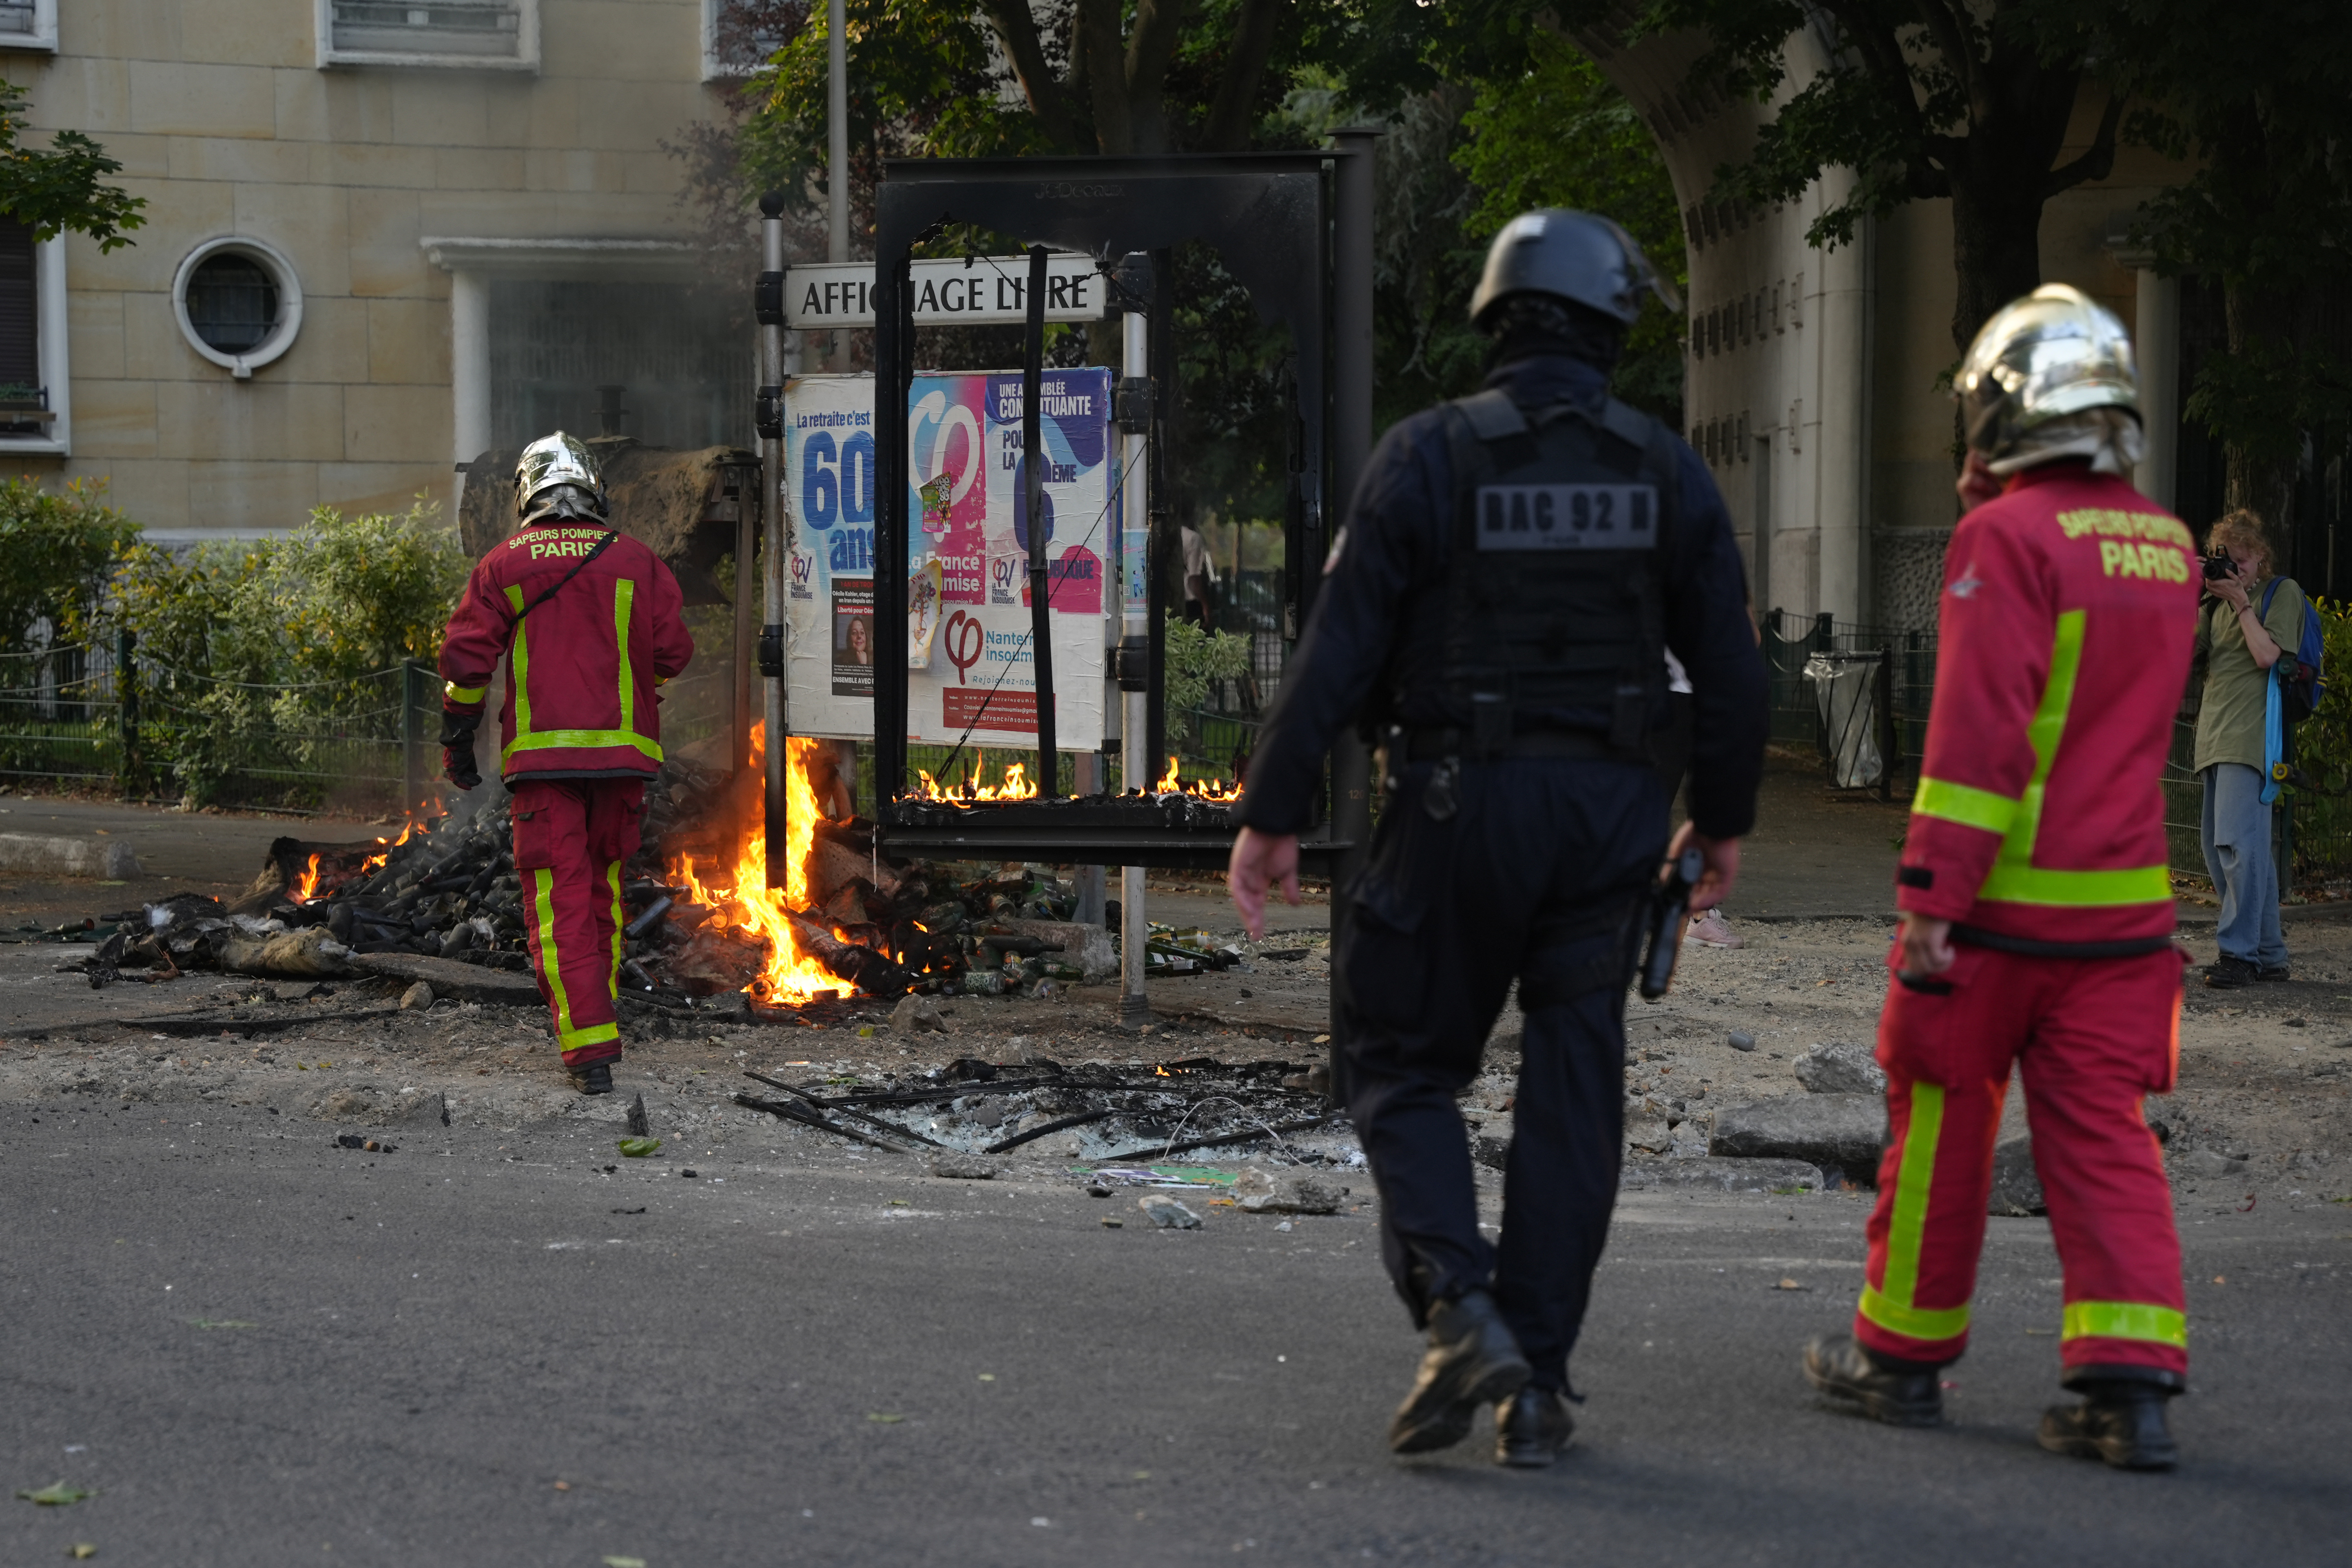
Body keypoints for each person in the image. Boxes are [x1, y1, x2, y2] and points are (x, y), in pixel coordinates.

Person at [1227, 210, 1767, 1467]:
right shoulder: (1663, 469)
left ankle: (1462, 1310)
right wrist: (1722, 823)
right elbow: (1732, 669)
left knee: (1397, 1061)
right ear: (1610, 328)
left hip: (1454, 812)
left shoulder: (1428, 456)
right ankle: (1539, 1382)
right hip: (1609, 829)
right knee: (1574, 1092)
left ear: (1493, 319)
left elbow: (1337, 647)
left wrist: (1273, 810)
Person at [1800, 285, 2200, 1471]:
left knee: (1937, 1128)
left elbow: (1981, 741)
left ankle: (1899, 1362)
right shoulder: (2166, 545)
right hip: (2122, 924)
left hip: (1995, 922)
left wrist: (1931, 901)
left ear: (1998, 413)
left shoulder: (2005, 540)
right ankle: (2123, 1395)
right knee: (2102, 1139)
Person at [438, 432, 694, 1095]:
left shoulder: (504, 564)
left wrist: (458, 741)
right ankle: (597, 1019)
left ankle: (587, 1050)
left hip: (545, 764)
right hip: (623, 763)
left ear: (528, 494)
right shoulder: (635, 560)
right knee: (603, 892)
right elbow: (674, 651)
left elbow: (467, 664)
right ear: (594, 492)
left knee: (557, 903)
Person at [2192, 509, 2303, 988]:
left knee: (2239, 848)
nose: (2233, 570)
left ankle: (2239, 954)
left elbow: (2267, 656)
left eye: (2241, 561)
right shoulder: (2212, 604)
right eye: (2225, 562)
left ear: (2259, 557)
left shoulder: (2282, 594)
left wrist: (2240, 601)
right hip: (2213, 737)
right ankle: (2269, 953)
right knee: (2223, 851)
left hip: (2253, 736)